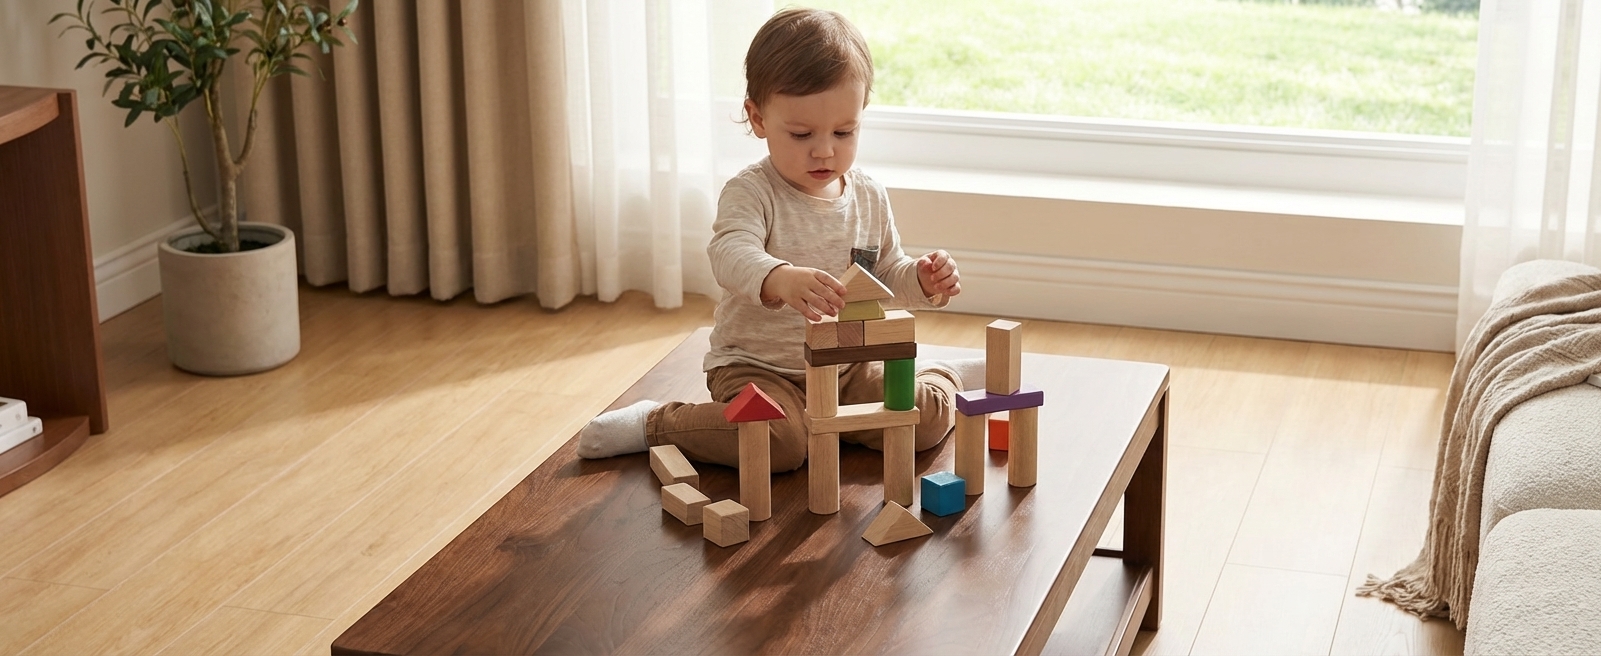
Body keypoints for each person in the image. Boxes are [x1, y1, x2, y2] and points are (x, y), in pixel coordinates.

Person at [576, 7, 983, 471]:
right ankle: (657, 423)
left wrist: (924, 280)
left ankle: (941, 377)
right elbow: (728, 253)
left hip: (845, 367)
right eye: (802, 133)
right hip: (758, 367)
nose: (825, 149)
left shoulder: (868, 195)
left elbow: (887, 274)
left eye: (844, 131)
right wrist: (780, 278)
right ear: (758, 118)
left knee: (924, 421)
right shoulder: (752, 192)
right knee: (780, 445)